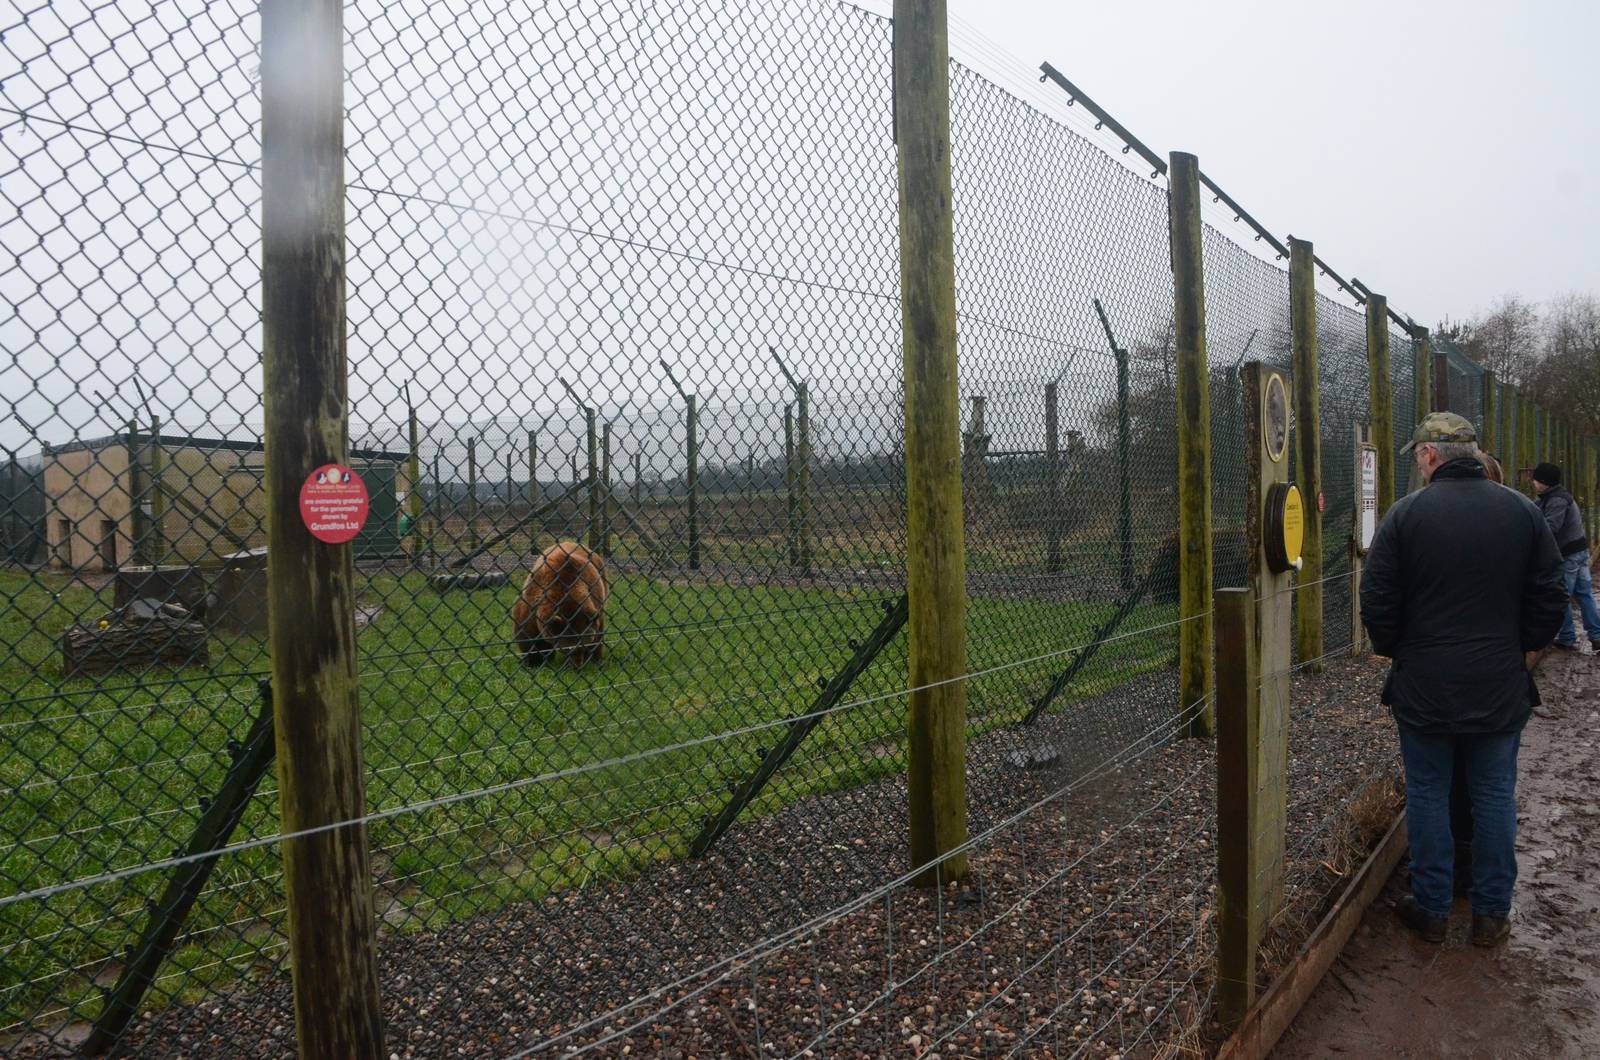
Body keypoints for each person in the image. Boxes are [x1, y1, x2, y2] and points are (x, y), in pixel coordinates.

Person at [1360, 412, 1567, 945]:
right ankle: (1491, 913)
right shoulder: (1523, 513)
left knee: (1428, 792)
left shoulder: (1405, 516)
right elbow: (1549, 595)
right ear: (1473, 454)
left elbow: (1378, 598)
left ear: (1430, 456)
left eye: (1418, 457)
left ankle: (1431, 909)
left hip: (1425, 682)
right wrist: (1520, 646)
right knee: (1495, 792)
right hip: (1498, 680)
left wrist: (1397, 648)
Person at [1531, 462, 1600, 653]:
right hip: (1579, 552)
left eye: (1536, 479)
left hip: (1569, 555)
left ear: (1544, 482)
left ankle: (1567, 636)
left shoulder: (1556, 500)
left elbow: (1551, 528)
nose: (1533, 482)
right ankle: (1597, 635)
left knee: (1561, 596)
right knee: (1584, 594)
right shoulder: (1553, 496)